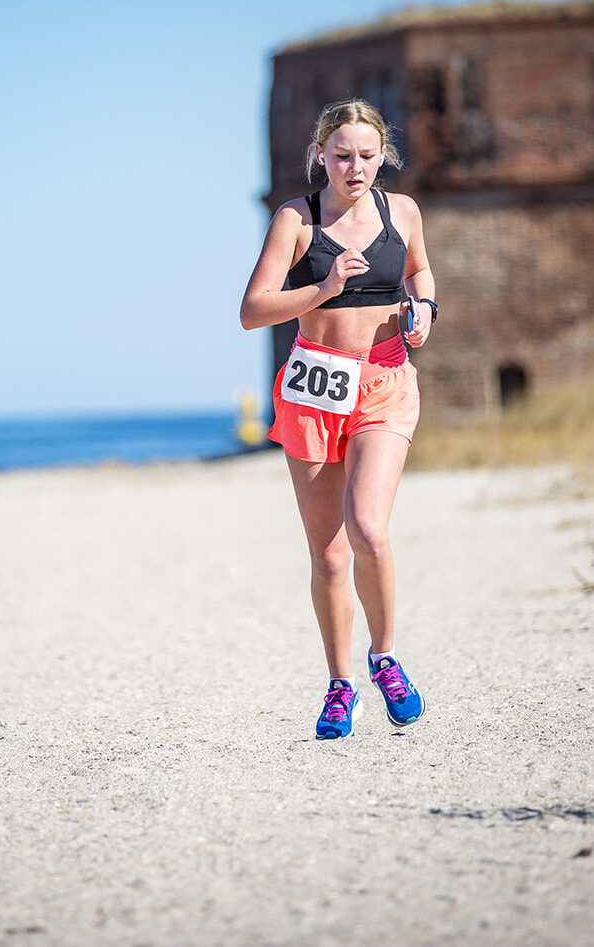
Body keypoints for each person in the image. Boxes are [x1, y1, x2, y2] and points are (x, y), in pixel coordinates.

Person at [239, 98, 438, 739]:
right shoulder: (296, 220)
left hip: (384, 382)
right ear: (321, 154)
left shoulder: (401, 211)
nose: (355, 168)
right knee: (328, 556)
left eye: (368, 156)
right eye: (343, 155)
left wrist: (425, 309)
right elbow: (254, 309)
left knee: (368, 527)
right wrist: (322, 290)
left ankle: (385, 658)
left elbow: (420, 271)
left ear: (384, 156)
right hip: (313, 391)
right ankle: (339, 684)